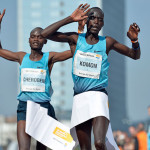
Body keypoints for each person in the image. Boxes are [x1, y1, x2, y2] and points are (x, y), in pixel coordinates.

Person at [41, 3, 141, 150]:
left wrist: (134, 41)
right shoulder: (75, 39)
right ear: (86, 20)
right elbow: (44, 34)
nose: (96, 22)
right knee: (85, 147)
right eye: (92, 18)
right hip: (80, 98)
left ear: (103, 23)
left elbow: (134, 55)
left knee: (100, 143)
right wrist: (70, 18)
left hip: (98, 96)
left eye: (100, 19)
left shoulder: (107, 42)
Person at [0, 9, 73, 150]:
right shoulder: (22, 57)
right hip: (24, 107)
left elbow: (74, 52)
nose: (36, 39)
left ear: (45, 41)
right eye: (33, 36)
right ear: (28, 40)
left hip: (43, 107)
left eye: (40, 37)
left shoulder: (49, 57)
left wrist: (77, 31)